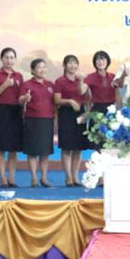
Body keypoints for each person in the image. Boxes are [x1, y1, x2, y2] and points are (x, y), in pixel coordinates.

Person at [0, 47, 25, 187]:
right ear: (1, 59)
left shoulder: (19, 76)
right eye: (6, 57)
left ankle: (11, 178)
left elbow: (21, 97)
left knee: (14, 149)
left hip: (16, 112)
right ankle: (3, 178)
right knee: (0, 147)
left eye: (12, 57)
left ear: (15, 60)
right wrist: (5, 85)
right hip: (2, 111)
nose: (9, 60)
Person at [54, 55, 90, 186]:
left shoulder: (82, 80)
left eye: (75, 63)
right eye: (69, 63)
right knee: (67, 147)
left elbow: (87, 98)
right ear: (64, 65)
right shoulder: (59, 81)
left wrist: (86, 113)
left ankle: (75, 177)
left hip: (80, 114)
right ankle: (68, 177)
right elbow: (57, 100)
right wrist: (69, 101)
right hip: (66, 114)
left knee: (78, 147)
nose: (72, 66)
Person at [20, 59, 55, 187]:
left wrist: (55, 120)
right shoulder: (26, 85)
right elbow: (20, 100)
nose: (42, 70)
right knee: (32, 151)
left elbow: (55, 104)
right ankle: (34, 178)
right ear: (33, 70)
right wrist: (25, 98)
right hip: (32, 120)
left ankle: (44, 178)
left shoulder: (50, 85)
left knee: (45, 152)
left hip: (47, 120)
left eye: (44, 67)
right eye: (39, 67)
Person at [85, 50, 120, 116]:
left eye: (103, 59)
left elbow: (117, 95)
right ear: (94, 62)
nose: (101, 62)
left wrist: (120, 110)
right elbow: (86, 96)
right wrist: (87, 112)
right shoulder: (90, 77)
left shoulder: (113, 77)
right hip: (97, 111)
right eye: (98, 60)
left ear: (107, 61)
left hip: (111, 109)